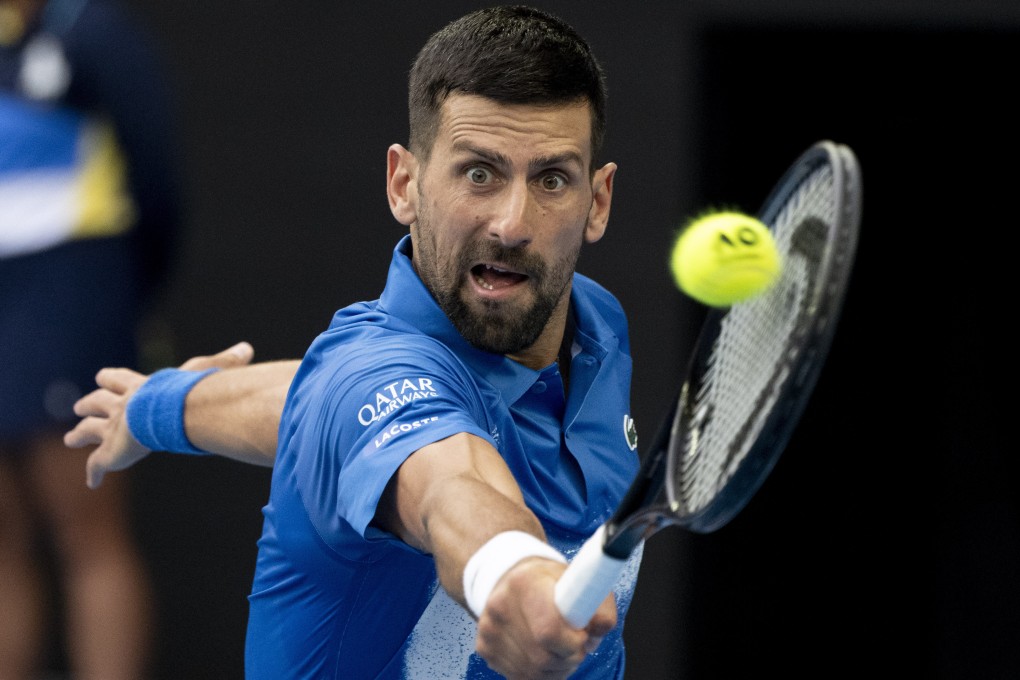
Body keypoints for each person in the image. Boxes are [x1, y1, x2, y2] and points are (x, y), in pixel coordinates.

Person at [66, 6, 644, 679]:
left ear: (598, 201)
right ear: (404, 185)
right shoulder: (372, 374)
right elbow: (445, 483)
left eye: (551, 179)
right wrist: (510, 569)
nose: (512, 224)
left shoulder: (595, 326)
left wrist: (165, 406)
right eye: (479, 174)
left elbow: (312, 403)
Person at [0, 0, 180, 678]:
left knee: (87, 531)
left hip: (69, 301)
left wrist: (120, 296)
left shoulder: (93, 36)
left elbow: (157, 183)